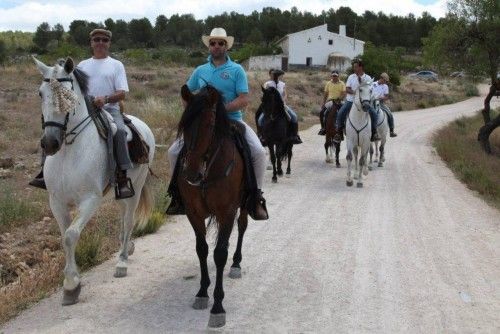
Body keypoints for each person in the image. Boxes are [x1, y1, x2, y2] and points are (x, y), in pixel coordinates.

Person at [166, 27, 268, 220]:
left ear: (226, 46)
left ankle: (255, 196)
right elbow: (187, 93)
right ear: (209, 46)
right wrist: (193, 112)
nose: (216, 46)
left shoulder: (236, 70)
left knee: (259, 153)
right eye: (213, 43)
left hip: (232, 121)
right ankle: (177, 195)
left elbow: (244, 98)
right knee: (173, 152)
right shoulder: (200, 70)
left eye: (220, 43)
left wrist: (222, 110)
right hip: (204, 123)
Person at [29, 28, 134, 199]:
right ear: (91, 43)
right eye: (97, 40)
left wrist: (105, 99)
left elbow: (122, 93)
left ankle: (122, 177)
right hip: (85, 109)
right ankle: (44, 173)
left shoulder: (116, 65)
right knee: (53, 127)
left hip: (109, 108)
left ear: (109, 43)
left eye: (104, 40)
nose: (100, 43)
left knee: (120, 131)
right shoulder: (82, 65)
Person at [333, 59, 380, 143]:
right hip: (351, 100)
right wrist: (355, 92)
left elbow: (369, 89)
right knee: (340, 113)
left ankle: (374, 133)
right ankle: (338, 133)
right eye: (353, 67)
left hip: (364, 102)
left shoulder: (368, 78)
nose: (354, 68)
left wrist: (365, 95)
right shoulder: (351, 77)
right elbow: (347, 89)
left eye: (355, 67)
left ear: (360, 67)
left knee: (374, 114)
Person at [259, 69, 302, 144]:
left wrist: (283, 100)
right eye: (273, 75)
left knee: (294, 116)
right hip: (271, 106)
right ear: (271, 75)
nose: (275, 76)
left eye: (276, 75)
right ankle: (262, 136)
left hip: (282, 105)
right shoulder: (267, 84)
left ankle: (295, 135)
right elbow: (265, 94)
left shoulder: (282, 84)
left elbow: (285, 94)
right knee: (260, 120)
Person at [318, 70, 346, 135]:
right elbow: (325, 93)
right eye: (333, 76)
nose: (334, 77)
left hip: (339, 101)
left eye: (336, 76)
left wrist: (339, 99)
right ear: (331, 76)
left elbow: (344, 93)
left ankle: (344, 127)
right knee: (322, 112)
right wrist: (323, 102)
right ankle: (323, 128)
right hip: (330, 101)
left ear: (338, 76)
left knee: (345, 112)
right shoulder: (328, 83)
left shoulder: (342, 83)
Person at [372, 72, 397, 137]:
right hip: (372, 102)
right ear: (381, 78)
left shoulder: (385, 86)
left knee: (389, 113)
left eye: (386, 81)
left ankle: (391, 130)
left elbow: (386, 96)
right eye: (385, 81)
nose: (385, 82)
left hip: (380, 103)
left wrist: (381, 98)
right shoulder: (373, 84)